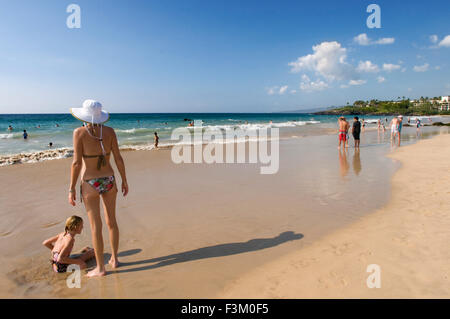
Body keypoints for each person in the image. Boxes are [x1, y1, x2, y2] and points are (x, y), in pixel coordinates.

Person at [68, 100, 129, 277]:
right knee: (112, 221)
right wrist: (124, 180)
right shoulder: (110, 131)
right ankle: (115, 260)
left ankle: (101, 268)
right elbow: (118, 158)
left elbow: (77, 163)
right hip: (109, 180)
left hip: (90, 182)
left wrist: (71, 188)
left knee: (96, 225)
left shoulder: (79, 132)